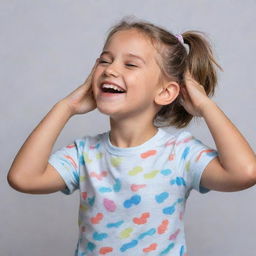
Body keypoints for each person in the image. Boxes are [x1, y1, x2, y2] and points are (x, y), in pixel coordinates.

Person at [7, 17, 256, 256]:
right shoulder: (84, 153)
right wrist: (65, 107)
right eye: (104, 61)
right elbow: (23, 178)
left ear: (166, 92)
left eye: (130, 64)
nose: (110, 70)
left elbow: (245, 172)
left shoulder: (180, 153)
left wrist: (205, 106)